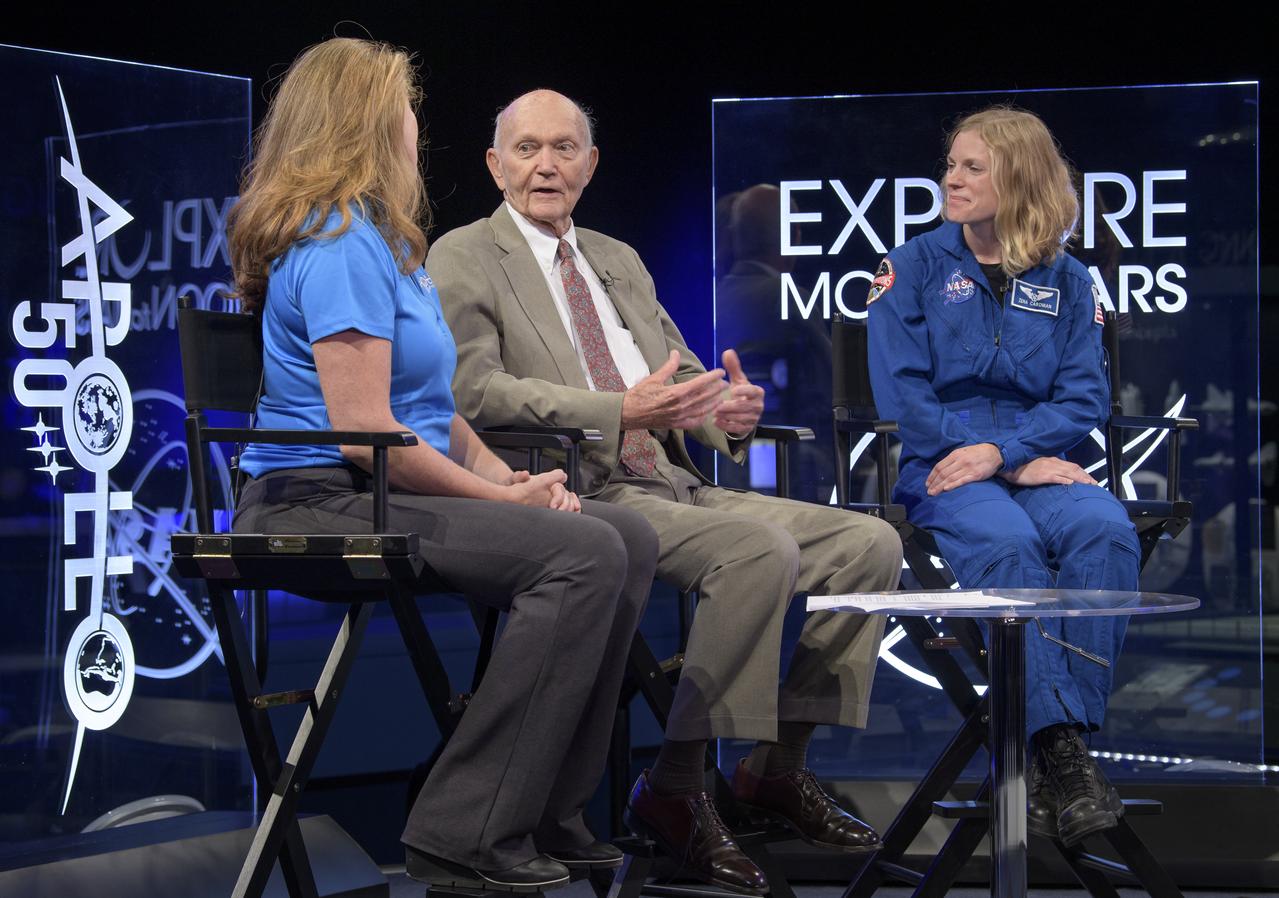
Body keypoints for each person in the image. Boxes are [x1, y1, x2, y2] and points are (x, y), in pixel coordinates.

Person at [429, 88, 902, 895]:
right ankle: (677, 788)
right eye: (527, 148)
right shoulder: (465, 255)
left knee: (869, 543)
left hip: (672, 479)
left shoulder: (616, 257)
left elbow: (677, 371)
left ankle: (776, 765)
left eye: (565, 148)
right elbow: (472, 392)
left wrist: (725, 409)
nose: (546, 164)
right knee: (759, 550)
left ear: (591, 163)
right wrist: (616, 411)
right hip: (575, 489)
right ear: (494, 163)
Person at [226, 41, 659, 890]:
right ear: (368, 124)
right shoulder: (339, 240)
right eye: (406, 108)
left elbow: (438, 413)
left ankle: (545, 809)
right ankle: (465, 827)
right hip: (317, 498)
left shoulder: (388, 245)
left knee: (628, 538)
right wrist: (512, 501)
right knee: (580, 554)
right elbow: (365, 435)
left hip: (382, 485)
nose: (418, 126)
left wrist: (510, 481)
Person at [867, 106, 1141, 847]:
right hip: (944, 468)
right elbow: (904, 399)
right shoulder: (912, 265)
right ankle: (1066, 760)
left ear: (1017, 179)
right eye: (950, 165)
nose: (950, 180)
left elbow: (1083, 397)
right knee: (1010, 549)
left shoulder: (1069, 278)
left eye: (971, 168)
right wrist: (994, 455)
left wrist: (1009, 454)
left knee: (1104, 530)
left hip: (1031, 460)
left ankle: (1056, 748)